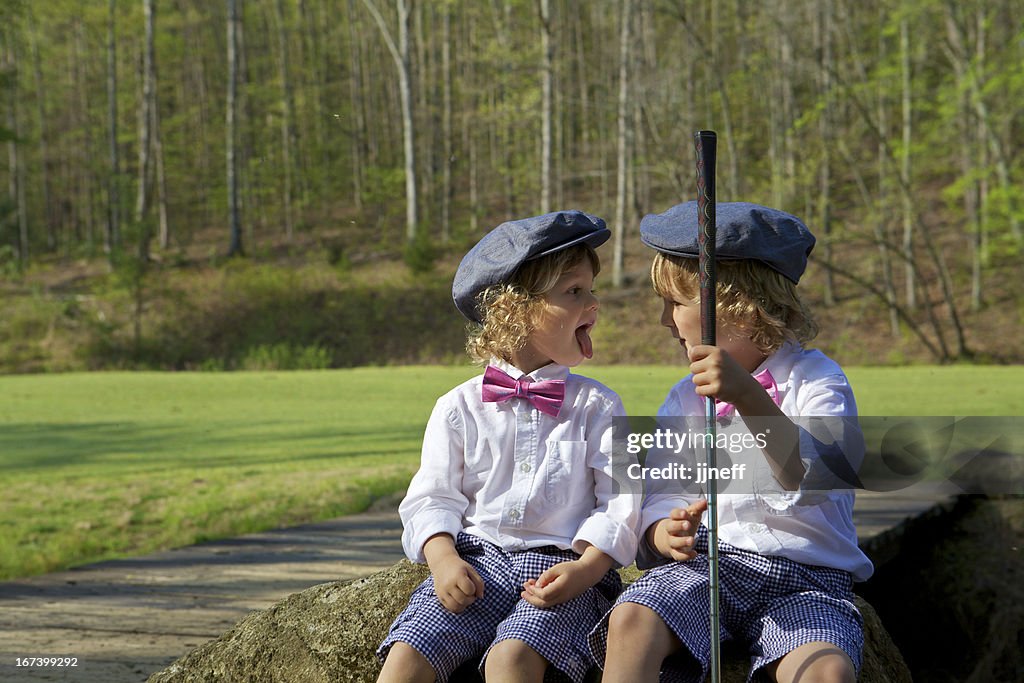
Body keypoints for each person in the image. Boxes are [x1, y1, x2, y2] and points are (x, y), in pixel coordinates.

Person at [590, 202, 873, 683]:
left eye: (674, 303)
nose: (663, 320)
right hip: (708, 568)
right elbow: (664, 489)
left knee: (826, 671)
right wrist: (663, 530)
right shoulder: (682, 399)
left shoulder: (818, 381)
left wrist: (747, 396)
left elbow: (821, 475)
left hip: (808, 580)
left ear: (739, 302)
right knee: (632, 618)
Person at [376, 210, 640, 683]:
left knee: (511, 659)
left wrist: (587, 569)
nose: (594, 304)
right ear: (513, 310)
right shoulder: (457, 407)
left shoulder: (599, 405)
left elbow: (621, 501)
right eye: (574, 292)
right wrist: (443, 560)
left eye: (591, 290)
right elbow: (432, 495)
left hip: (563, 572)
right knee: (408, 655)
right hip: (476, 563)